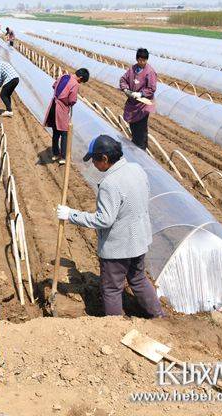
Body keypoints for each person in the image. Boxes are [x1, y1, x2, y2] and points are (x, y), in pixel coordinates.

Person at [56, 135, 164, 318]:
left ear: (104, 159)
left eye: (94, 160)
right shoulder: (137, 169)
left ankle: (113, 327)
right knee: (138, 279)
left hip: (118, 247)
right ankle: (158, 315)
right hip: (139, 239)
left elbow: (104, 220)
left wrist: (71, 215)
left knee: (112, 289)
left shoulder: (109, 183)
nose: (94, 165)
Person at [43, 68, 90, 165]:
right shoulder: (75, 84)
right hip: (61, 109)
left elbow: (54, 85)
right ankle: (63, 157)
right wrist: (70, 102)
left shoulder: (64, 76)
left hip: (53, 106)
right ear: (80, 78)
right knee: (64, 132)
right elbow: (72, 99)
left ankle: (55, 154)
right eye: (82, 81)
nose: (80, 83)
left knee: (56, 132)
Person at [119, 48, 156, 150]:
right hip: (132, 104)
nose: (142, 62)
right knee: (133, 126)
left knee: (141, 128)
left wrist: (141, 94)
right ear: (137, 59)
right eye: (140, 60)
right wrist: (125, 89)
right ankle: (136, 145)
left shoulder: (150, 72)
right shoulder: (133, 69)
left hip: (143, 105)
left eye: (144, 60)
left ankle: (141, 148)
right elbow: (123, 79)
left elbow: (152, 88)